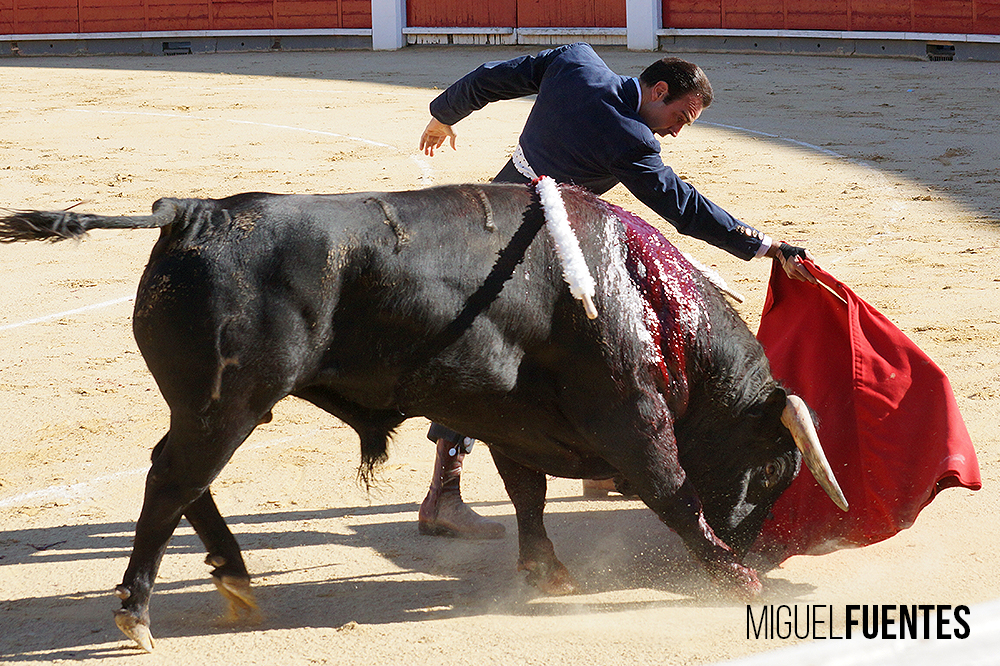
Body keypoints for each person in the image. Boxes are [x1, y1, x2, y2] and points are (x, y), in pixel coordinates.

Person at [415, 42, 816, 534]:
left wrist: (443, 115)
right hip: (536, 249)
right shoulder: (630, 138)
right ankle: (443, 495)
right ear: (659, 90)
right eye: (680, 117)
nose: (676, 130)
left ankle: (600, 467)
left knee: (588, 330)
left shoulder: (575, 62)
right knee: (493, 350)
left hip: (492, 215)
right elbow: (682, 206)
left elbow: (491, 77)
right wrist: (763, 245)